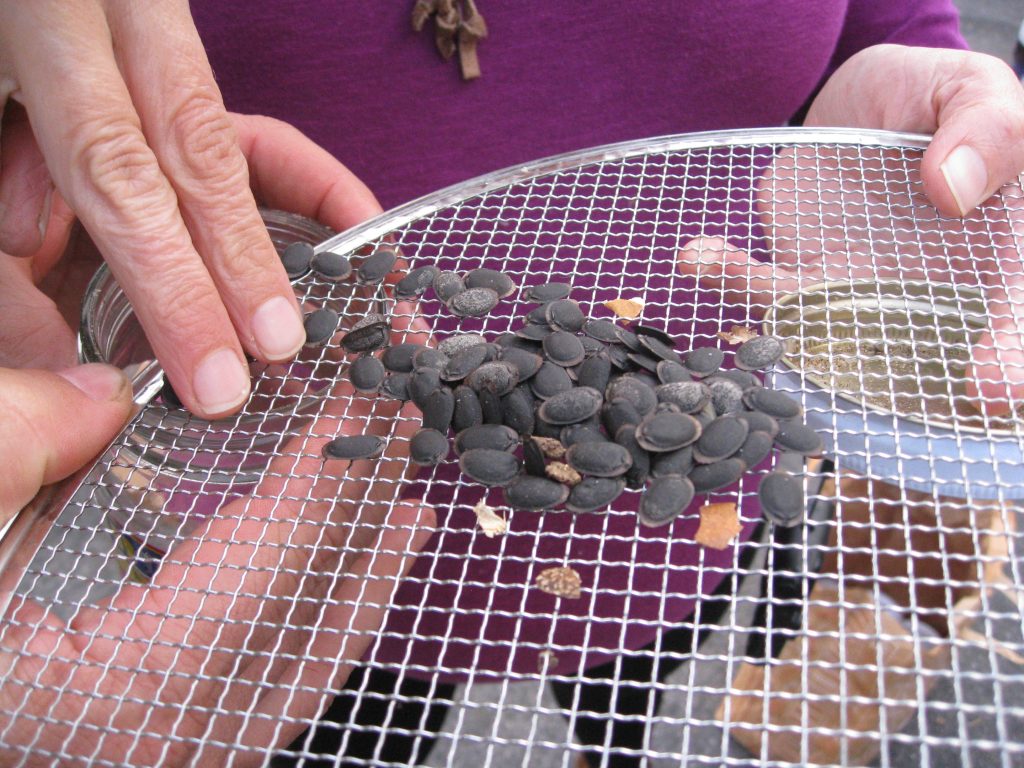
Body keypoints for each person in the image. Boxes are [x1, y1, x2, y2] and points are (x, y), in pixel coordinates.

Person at [1, 1, 1023, 765]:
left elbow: (883, 17)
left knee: (629, 709)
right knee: (351, 732)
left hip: (680, 507)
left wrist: (911, 103)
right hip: (273, 550)